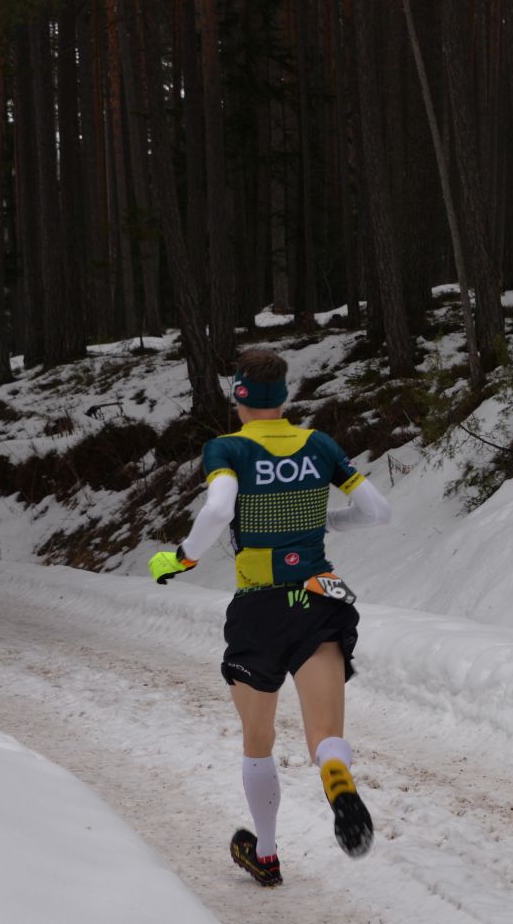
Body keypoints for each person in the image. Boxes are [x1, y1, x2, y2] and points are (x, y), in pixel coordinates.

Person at [150, 346, 393, 887]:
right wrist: (326, 520)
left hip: (259, 607)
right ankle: (336, 777)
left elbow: (217, 510)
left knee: (257, 740)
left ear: (240, 397)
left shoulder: (228, 448)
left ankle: (265, 852)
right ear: (283, 397)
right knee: (326, 733)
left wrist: (182, 557)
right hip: (318, 599)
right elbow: (379, 511)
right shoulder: (320, 444)